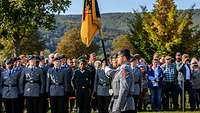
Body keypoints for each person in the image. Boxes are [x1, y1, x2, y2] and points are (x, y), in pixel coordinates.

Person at [109, 49, 135, 113]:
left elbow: (124, 89)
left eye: (118, 57)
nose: (117, 59)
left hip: (124, 106)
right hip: (120, 104)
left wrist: (118, 107)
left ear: (124, 58)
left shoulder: (124, 69)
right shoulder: (121, 69)